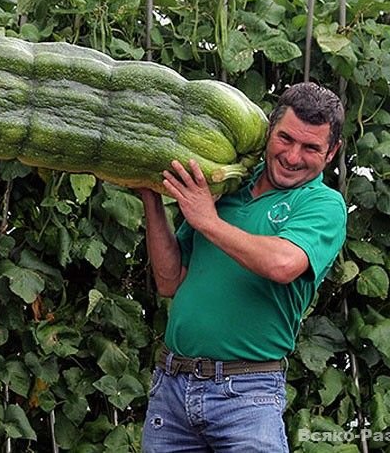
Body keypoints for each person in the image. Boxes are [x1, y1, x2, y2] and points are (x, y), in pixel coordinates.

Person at [139, 82, 346, 452]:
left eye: (311, 147)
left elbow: (283, 263)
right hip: (171, 388)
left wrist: (208, 221)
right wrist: (151, 198)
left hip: (247, 395)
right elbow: (170, 280)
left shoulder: (322, 204)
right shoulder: (226, 184)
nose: (293, 156)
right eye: (285, 139)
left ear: (332, 152)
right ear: (269, 131)